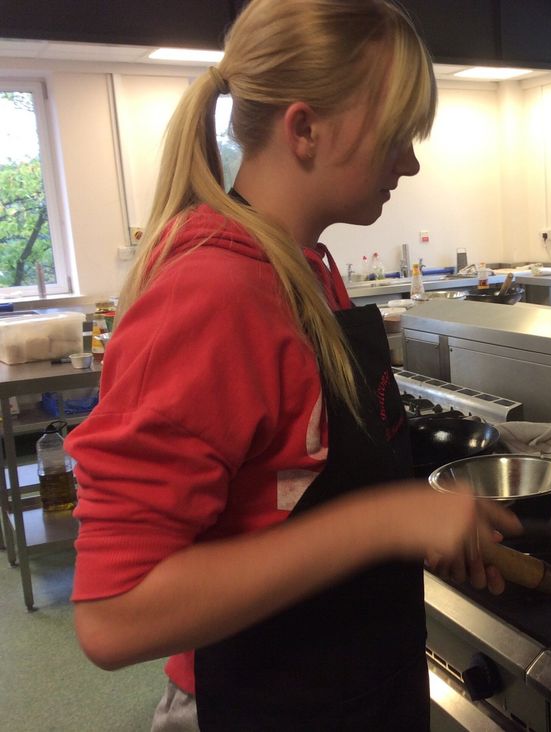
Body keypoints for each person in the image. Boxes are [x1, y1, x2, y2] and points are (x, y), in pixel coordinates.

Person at [67, 1, 521, 729]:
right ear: (304, 128)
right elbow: (114, 615)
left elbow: (288, 487)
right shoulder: (214, 290)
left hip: (353, 686)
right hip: (256, 704)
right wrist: (383, 523)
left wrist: (418, 521)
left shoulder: (306, 267)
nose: (409, 161)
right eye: (398, 134)